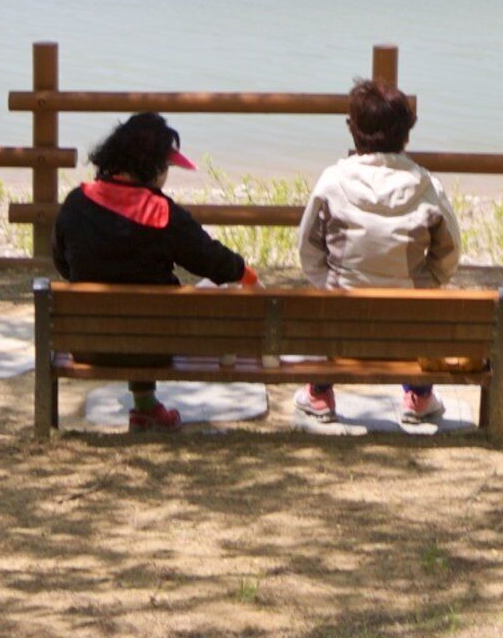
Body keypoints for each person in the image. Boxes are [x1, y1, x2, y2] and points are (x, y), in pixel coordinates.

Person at [51, 111, 253, 431]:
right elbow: (211, 260)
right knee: (169, 302)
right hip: (153, 345)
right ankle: (146, 406)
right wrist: (244, 272)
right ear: (154, 166)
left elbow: (62, 263)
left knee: (125, 305)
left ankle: (145, 407)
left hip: (89, 343)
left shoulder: (76, 203)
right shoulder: (162, 213)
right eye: (166, 166)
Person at [294, 76, 463, 427]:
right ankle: (419, 395)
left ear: (352, 130)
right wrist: (428, 281)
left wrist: (329, 282)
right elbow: (449, 250)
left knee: (332, 305)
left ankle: (319, 392)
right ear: (406, 134)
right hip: (407, 327)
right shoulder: (427, 185)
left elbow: (308, 248)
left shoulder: (332, 182)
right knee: (415, 313)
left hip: (342, 326)